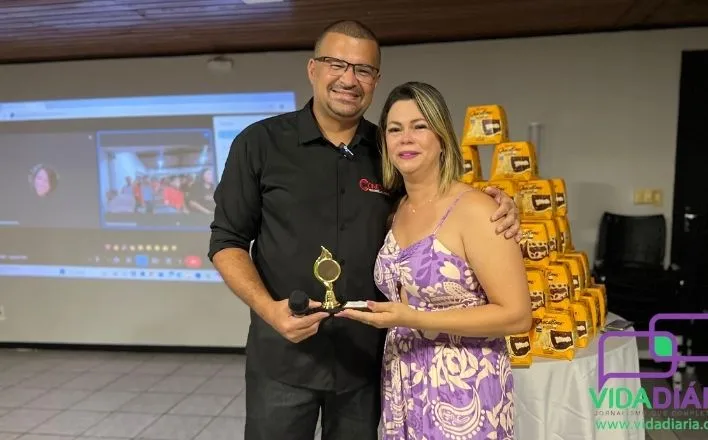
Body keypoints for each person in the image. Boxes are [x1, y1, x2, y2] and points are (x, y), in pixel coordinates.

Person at [208, 20, 521, 440]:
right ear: (312, 69)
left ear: (375, 81)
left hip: (368, 366)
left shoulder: (389, 151)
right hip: (283, 359)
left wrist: (494, 200)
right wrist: (269, 311)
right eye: (336, 64)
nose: (348, 79)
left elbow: (433, 201)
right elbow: (226, 241)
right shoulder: (259, 143)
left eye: (363, 69)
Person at [337, 82, 532, 439]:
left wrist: (412, 317)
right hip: (403, 382)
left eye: (419, 126)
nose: (405, 138)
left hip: (466, 389)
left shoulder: (477, 209)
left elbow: (518, 315)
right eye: (395, 129)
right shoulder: (395, 209)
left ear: (442, 135)